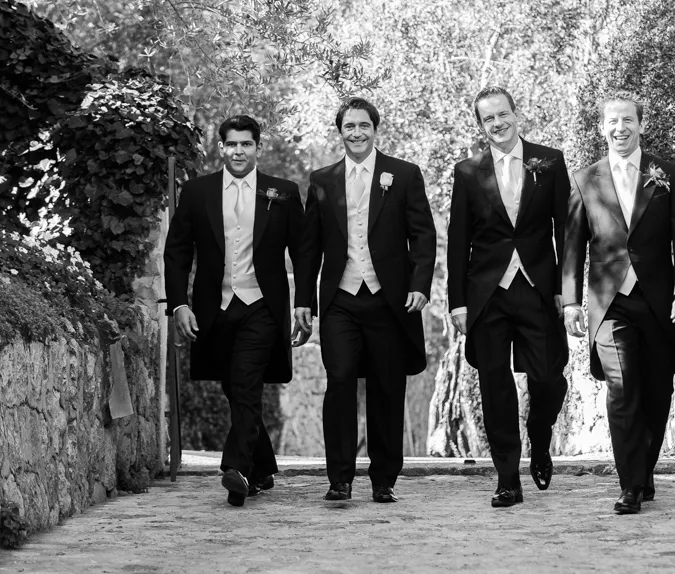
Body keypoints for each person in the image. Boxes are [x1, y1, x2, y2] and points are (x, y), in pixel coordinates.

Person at [164, 115, 316, 507]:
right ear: (221, 148)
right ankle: (263, 465)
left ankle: (237, 470)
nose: (238, 151)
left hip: (262, 307)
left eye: (246, 144)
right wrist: (180, 303)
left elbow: (301, 250)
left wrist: (303, 302)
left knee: (246, 383)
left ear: (257, 148)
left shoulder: (281, 192)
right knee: (235, 389)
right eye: (231, 144)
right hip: (216, 309)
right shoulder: (197, 192)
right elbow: (178, 251)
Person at [562, 91, 675, 515]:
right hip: (609, 306)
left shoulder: (668, 175)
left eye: (627, 120)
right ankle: (630, 487)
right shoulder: (585, 180)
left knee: (657, 394)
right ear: (602, 128)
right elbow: (572, 248)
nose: (619, 128)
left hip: (658, 302)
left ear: (640, 124)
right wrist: (570, 303)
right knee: (622, 392)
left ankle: (644, 469)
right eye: (611, 122)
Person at [300, 97, 436, 503]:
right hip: (341, 299)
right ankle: (339, 478)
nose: (356, 133)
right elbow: (309, 247)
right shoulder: (322, 180)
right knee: (339, 380)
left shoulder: (405, 174)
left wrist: (420, 284)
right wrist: (303, 299)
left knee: (386, 389)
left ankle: (383, 480)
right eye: (349, 126)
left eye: (363, 125)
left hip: (389, 301)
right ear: (339, 131)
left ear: (376, 129)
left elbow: (424, 236)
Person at [447, 86, 570, 508]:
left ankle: (540, 437)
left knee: (549, 378)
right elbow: (457, 240)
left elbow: (565, 232)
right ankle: (506, 478)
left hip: (537, 289)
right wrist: (458, 302)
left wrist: (563, 290)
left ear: (517, 115)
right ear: (480, 125)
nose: (497, 124)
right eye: (488, 119)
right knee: (494, 385)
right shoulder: (467, 172)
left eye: (503, 115)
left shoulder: (549, 162)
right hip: (487, 296)